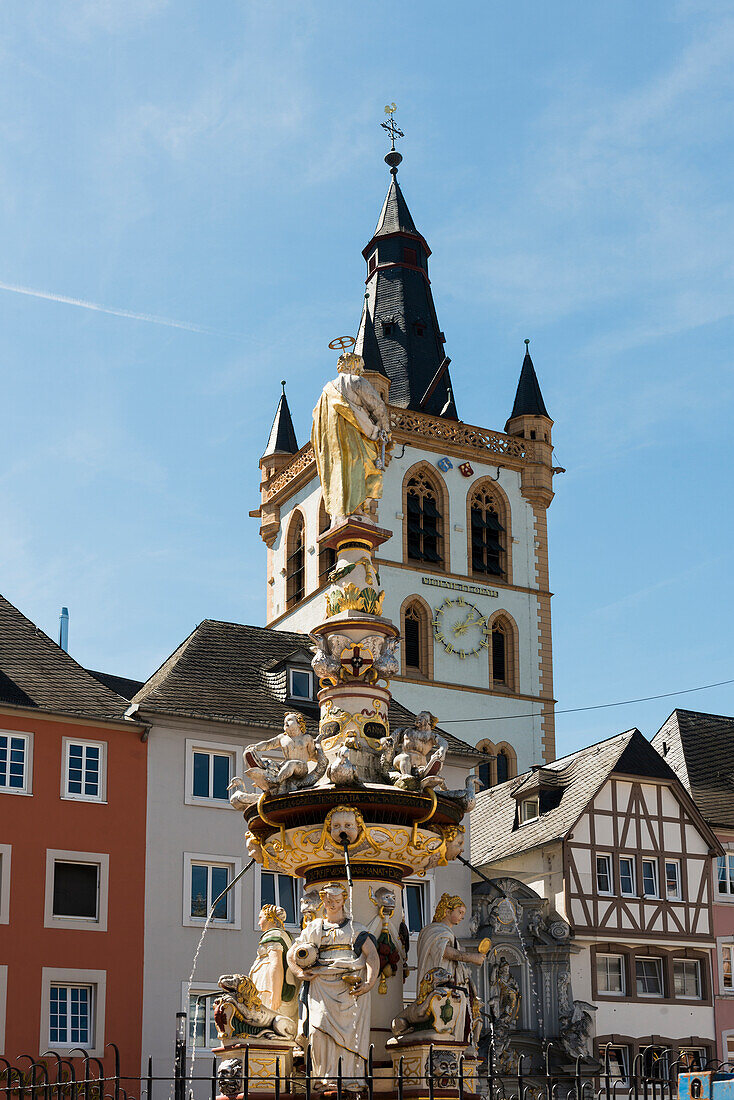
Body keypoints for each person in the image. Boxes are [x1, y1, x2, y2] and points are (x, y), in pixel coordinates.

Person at [287, 882, 380, 1090]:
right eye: (328, 901)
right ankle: (323, 1077)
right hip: (320, 984)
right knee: (317, 1031)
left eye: (336, 901)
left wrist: (369, 983)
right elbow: (291, 953)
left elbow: (372, 955)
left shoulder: (356, 928)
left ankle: (350, 1078)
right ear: (323, 901)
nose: (332, 905)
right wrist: (300, 973)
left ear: (343, 901)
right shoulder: (314, 927)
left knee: (350, 1034)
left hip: (349, 987)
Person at [311, 351, 391, 525]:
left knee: (341, 473)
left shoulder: (325, 393)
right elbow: (378, 407)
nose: (362, 370)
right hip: (355, 436)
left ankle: (340, 512)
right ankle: (356, 509)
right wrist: (385, 431)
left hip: (333, 445)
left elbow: (316, 423)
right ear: (354, 365)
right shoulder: (357, 382)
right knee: (361, 469)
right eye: (360, 366)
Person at [415, 894, 484, 1047]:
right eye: (459, 912)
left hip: (454, 987)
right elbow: (444, 952)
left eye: (463, 914)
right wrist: (472, 957)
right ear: (447, 911)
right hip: (443, 988)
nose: (462, 917)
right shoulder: (436, 930)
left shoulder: (444, 931)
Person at [244, 711, 327, 795]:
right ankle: (262, 780)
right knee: (266, 761)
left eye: (290, 720)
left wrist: (319, 752)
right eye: (284, 721)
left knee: (292, 764)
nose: (286, 722)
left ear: (299, 724)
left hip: (301, 768)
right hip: (285, 766)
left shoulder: (306, 738)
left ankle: (277, 780)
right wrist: (256, 747)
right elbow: (268, 744)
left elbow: (312, 755)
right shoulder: (282, 738)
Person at [249, 904, 298, 1019]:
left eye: (261, 918)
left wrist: (276, 994)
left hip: (267, 987)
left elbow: (276, 963)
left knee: (267, 1019)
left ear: (270, 918)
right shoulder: (280, 935)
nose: (258, 922)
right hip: (265, 986)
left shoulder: (274, 935)